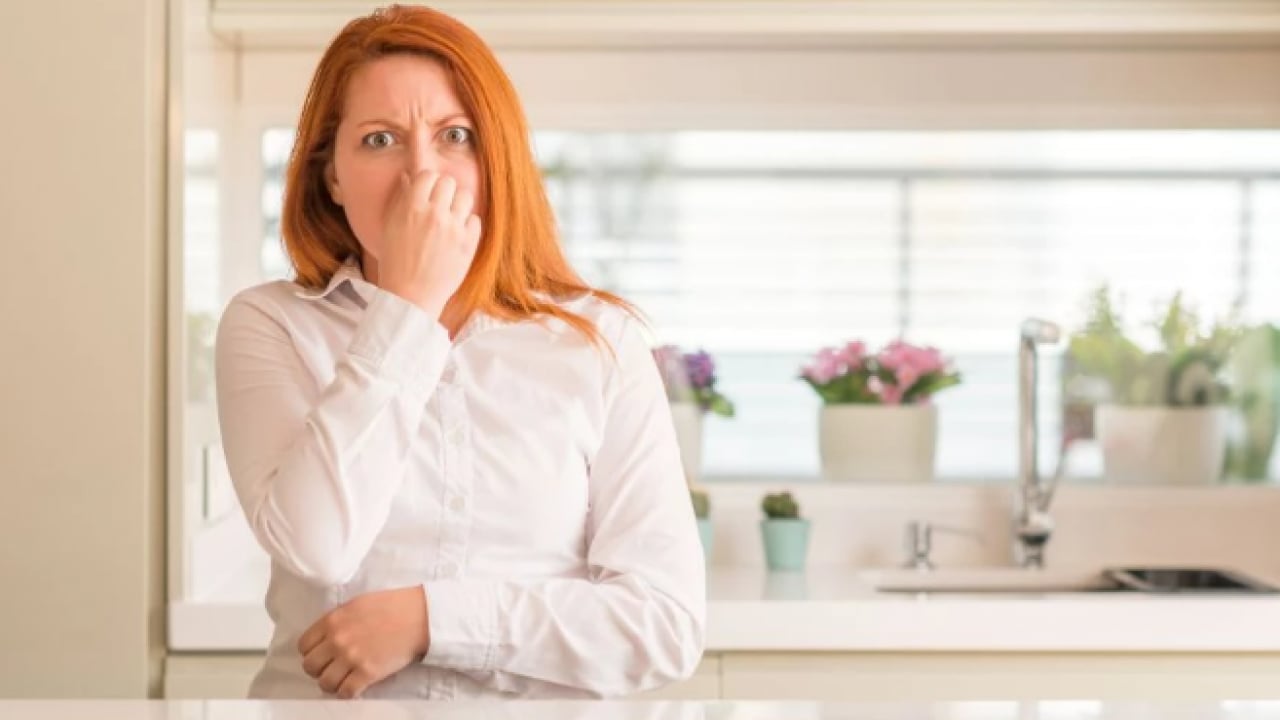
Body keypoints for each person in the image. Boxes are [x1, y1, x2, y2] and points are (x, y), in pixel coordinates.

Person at [214, 3, 705, 700]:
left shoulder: (599, 343)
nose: (423, 174)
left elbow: (661, 625)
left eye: (455, 136)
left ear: (495, 159)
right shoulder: (270, 325)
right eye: (380, 140)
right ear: (331, 177)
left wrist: (430, 619)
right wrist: (407, 307)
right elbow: (317, 548)